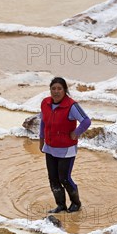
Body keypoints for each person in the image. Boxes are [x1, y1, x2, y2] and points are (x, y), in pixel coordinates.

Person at [38, 77, 91, 213]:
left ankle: (76, 204)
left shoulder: (71, 106)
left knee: (64, 178)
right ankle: (61, 205)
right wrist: (41, 139)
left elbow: (86, 121)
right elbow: (43, 121)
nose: (56, 92)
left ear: (65, 90)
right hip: (50, 147)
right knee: (53, 178)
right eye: (53, 89)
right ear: (50, 90)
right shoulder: (45, 103)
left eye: (59, 89)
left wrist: (76, 132)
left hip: (66, 149)